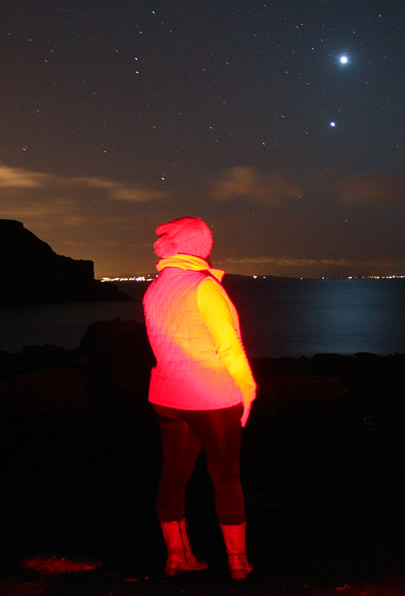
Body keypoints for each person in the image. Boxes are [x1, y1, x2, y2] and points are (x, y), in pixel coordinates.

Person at [143, 216, 257, 580]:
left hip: (166, 395)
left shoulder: (155, 288)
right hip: (211, 398)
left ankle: (178, 556)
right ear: (199, 245)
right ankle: (237, 562)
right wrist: (248, 388)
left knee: (173, 475)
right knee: (226, 477)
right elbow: (230, 348)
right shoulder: (204, 287)